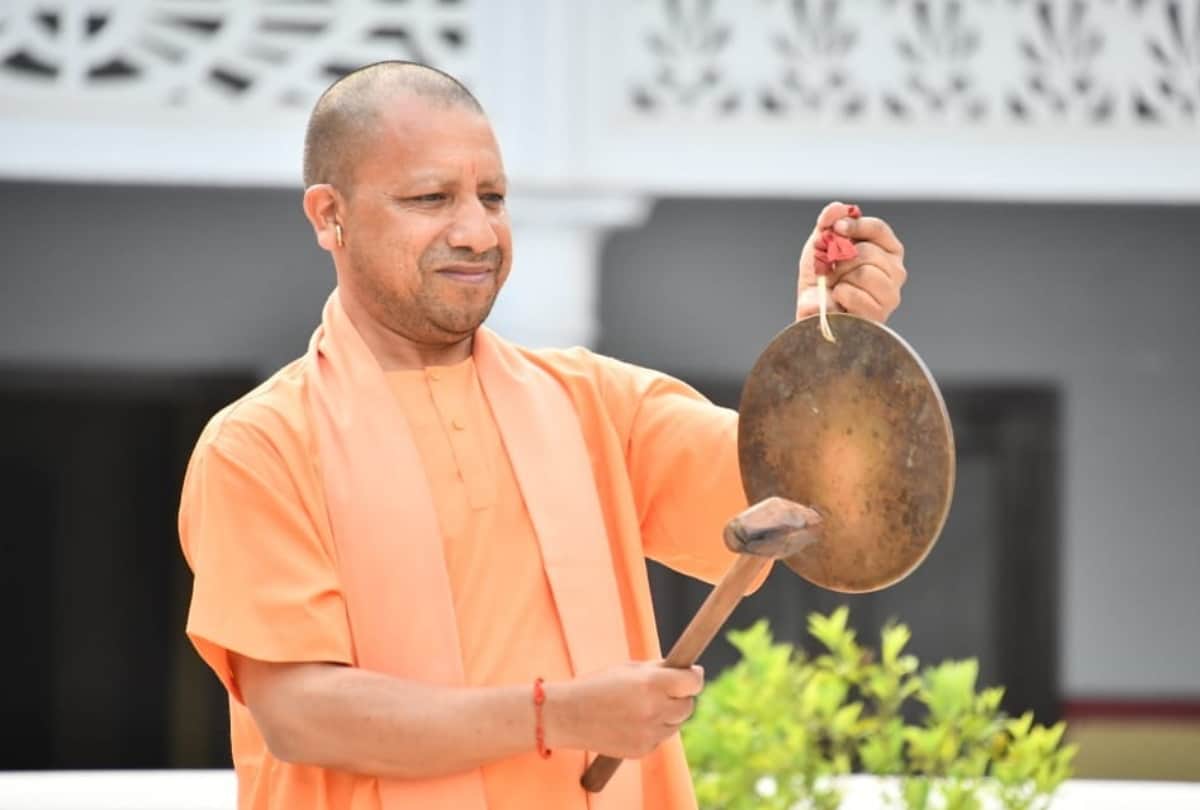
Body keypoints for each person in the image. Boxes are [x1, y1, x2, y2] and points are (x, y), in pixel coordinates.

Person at [178, 61, 908, 810]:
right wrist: (555, 716)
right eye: (430, 198)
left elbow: (788, 489)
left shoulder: (594, 404)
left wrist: (829, 345)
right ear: (329, 215)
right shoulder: (259, 447)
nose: (476, 231)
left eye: (491, 197)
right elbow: (302, 715)